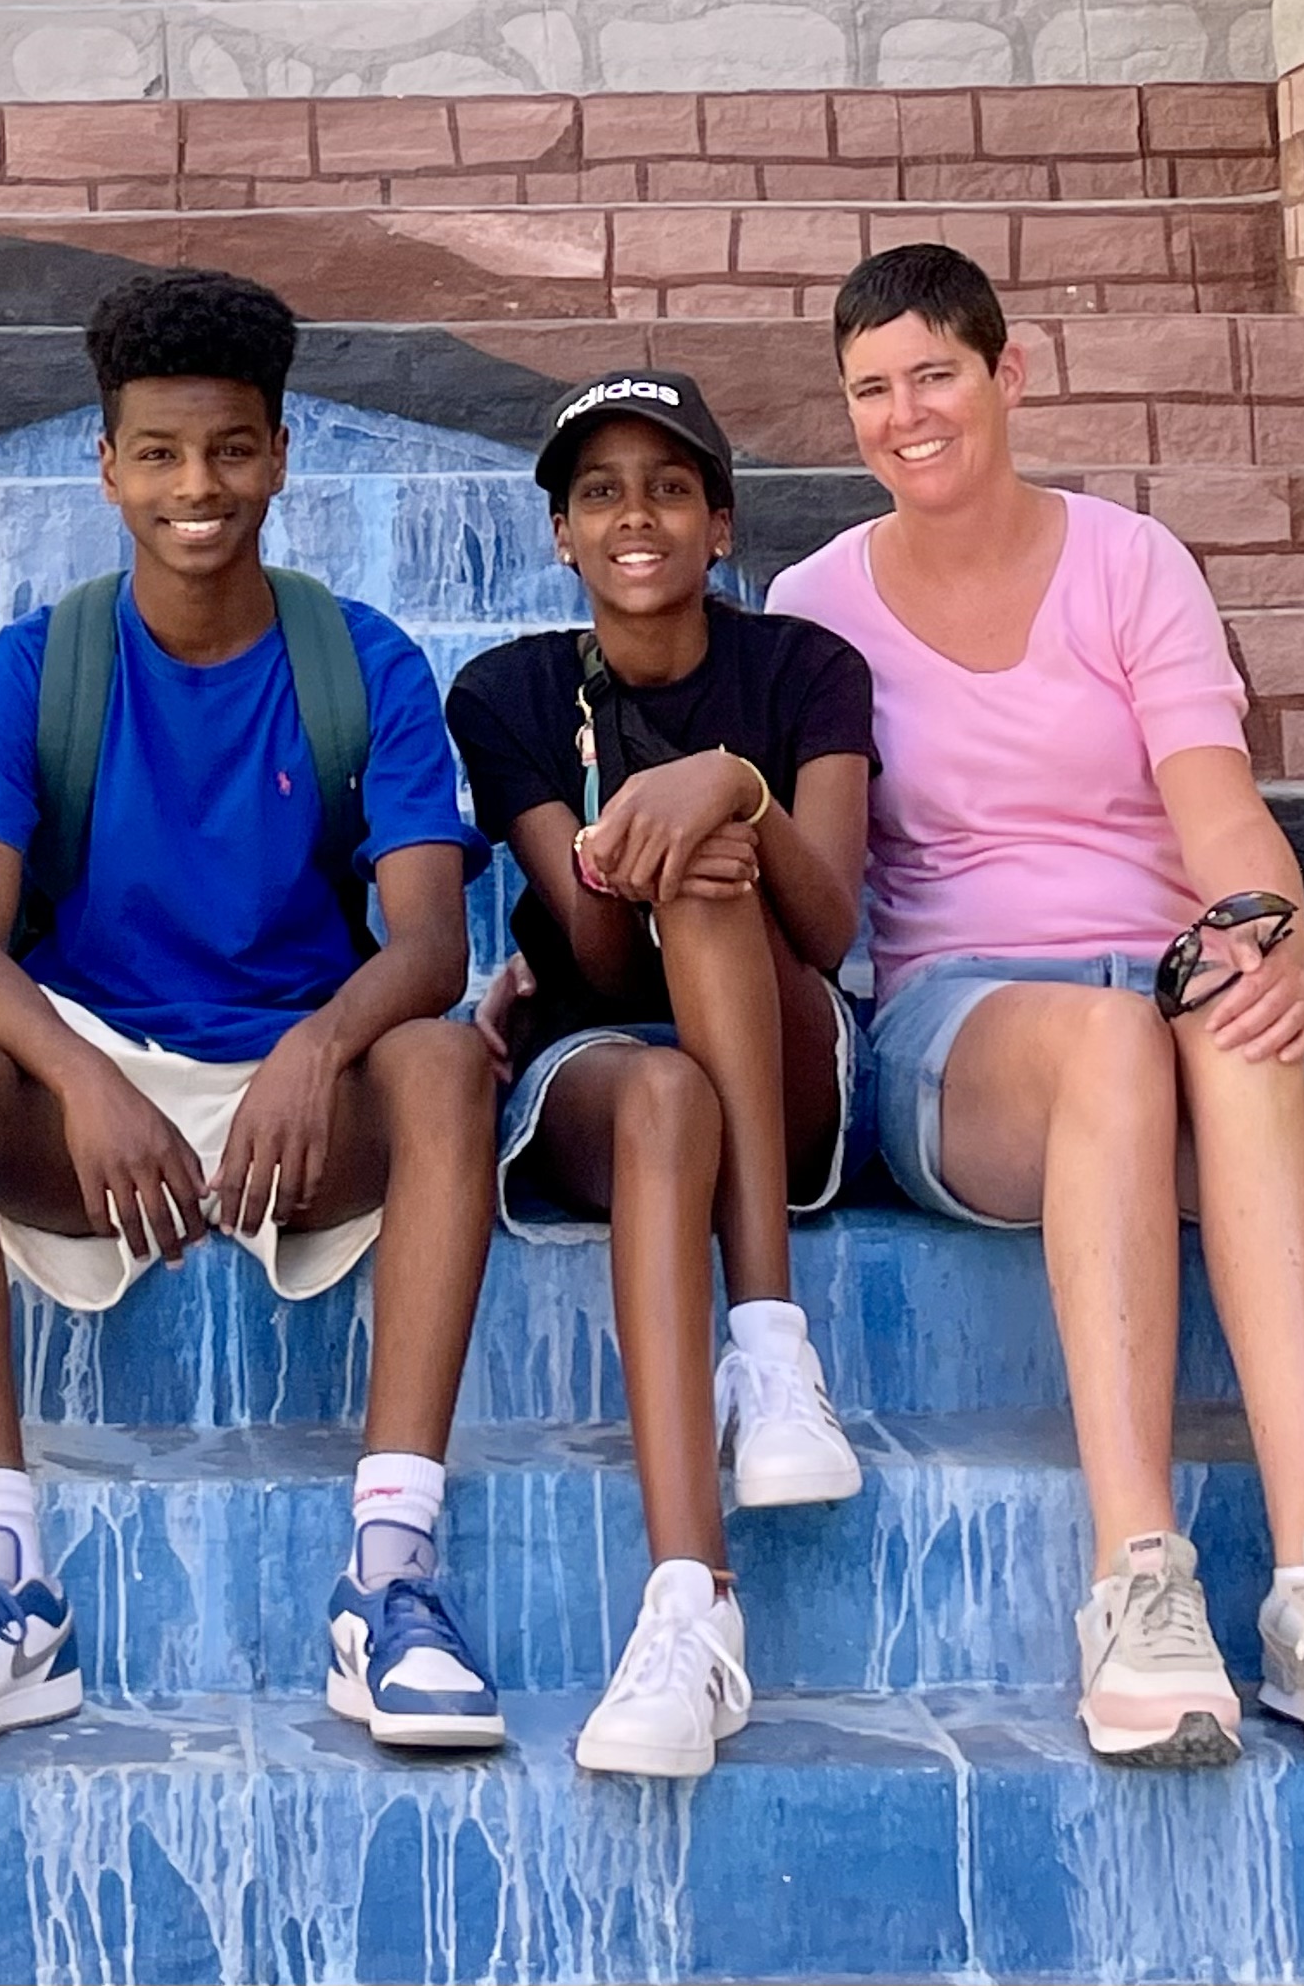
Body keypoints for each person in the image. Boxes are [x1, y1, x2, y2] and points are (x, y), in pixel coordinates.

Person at [766, 242, 1304, 1766]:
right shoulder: (815, 606)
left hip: (1157, 993)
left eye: (934, 375)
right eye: (872, 391)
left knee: (1233, 1024)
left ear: (1007, 375)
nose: (905, 415)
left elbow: (1217, 810)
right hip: (964, 1034)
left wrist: (1264, 931)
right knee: (1114, 1043)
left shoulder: (1132, 564)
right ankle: (1136, 1578)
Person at [0, 270, 505, 1762]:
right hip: (103, 1108)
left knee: (445, 1064)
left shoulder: (363, 660)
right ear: (107, 466)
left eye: (228, 450)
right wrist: (83, 1079)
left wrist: (319, 1046)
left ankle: (391, 1574)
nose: (195, 487)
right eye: (158, 453)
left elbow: (428, 945)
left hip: (299, 1109)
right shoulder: (39, 665)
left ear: (278, 457)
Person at [447, 371, 873, 1778]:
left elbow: (828, 927)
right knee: (668, 1072)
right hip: (606, 1059)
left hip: (791, 1051)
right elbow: (594, 958)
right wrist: (664, 825)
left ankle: (771, 1341)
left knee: (713, 862)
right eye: (602, 494)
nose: (638, 515)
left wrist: (731, 784)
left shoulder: (807, 669)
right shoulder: (507, 692)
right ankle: (693, 1601)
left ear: (722, 523)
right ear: (562, 534)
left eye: (672, 488)